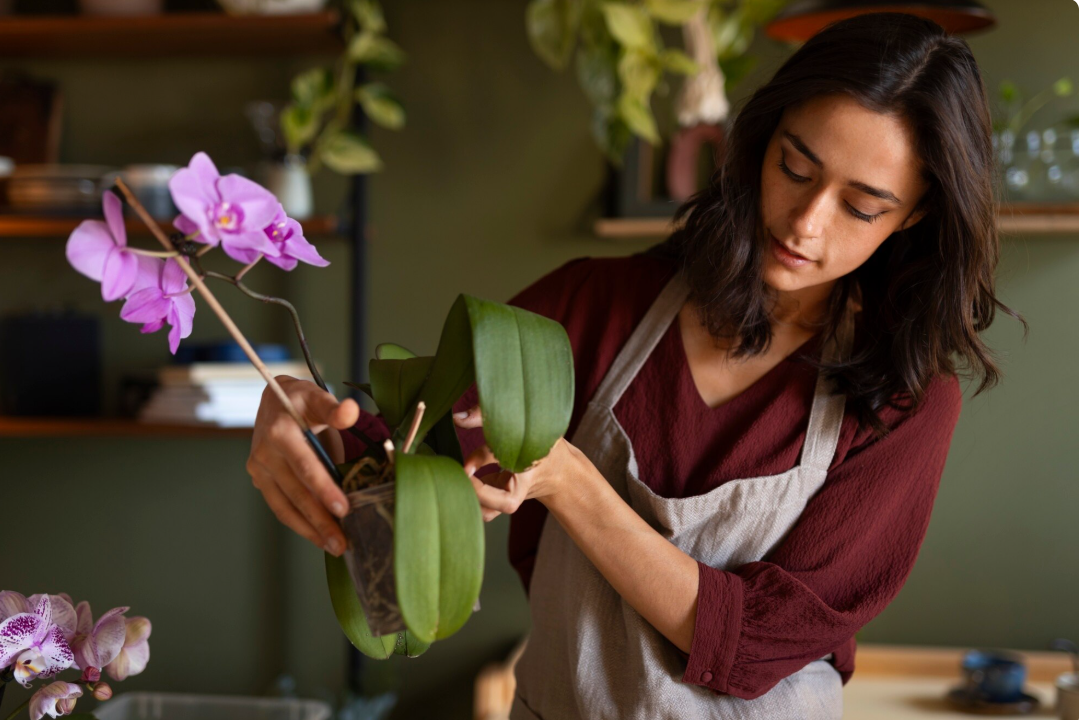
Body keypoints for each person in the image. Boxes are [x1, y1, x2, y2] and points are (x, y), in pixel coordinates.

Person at [245, 12, 1024, 719]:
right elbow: (407, 460)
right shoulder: (596, 307)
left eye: (862, 206)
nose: (808, 221)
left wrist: (568, 480)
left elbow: (752, 647)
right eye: (795, 166)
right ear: (763, 138)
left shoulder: (906, 401)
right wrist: (301, 418)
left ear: (916, 213)